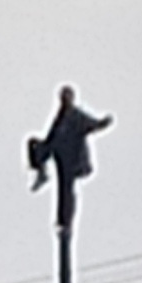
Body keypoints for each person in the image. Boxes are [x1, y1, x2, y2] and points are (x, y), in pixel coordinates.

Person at [26, 86, 112, 230]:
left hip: (72, 159)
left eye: (67, 96)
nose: (65, 99)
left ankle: (64, 222)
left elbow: (93, 125)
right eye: (63, 96)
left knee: (66, 191)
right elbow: (52, 137)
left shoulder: (76, 116)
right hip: (58, 153)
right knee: (32, 143)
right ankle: (42, 173)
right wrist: (43, 152)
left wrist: (105, 122)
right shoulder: (59, 117)